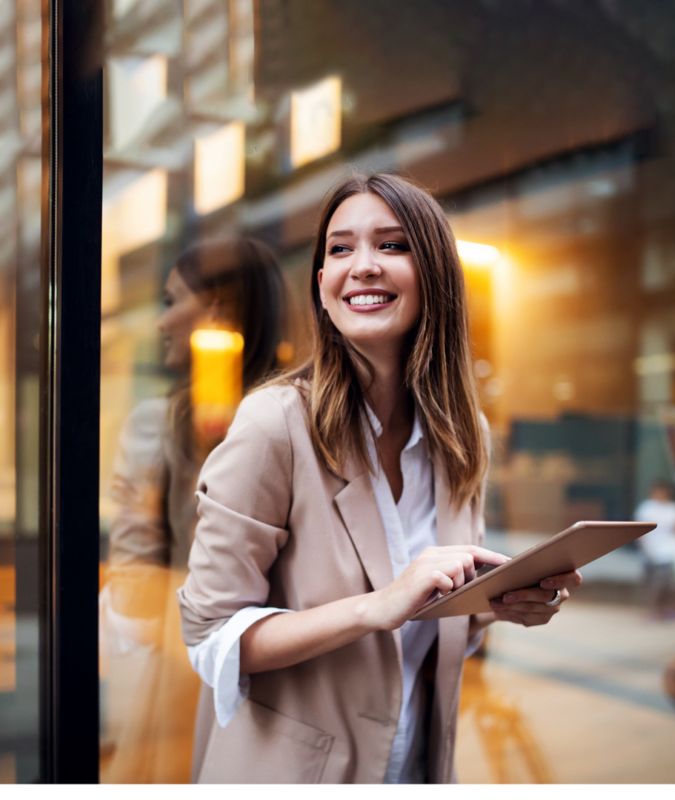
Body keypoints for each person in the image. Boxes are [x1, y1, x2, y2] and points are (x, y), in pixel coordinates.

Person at [177, 173, 582, 784]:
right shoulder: (275, 425)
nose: (362, 265)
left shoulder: (461, 433)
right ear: (322, 284)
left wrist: (495, 606)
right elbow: (210, 638)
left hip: (414, 765)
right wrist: (377, 607)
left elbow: (426, 623)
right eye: (340, 249)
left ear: (436, 277)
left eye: (391, 245)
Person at [101, 237, 288, 783]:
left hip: (195, 677)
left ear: (218, 308)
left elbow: (136, 590)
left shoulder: (157, 425)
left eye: (170, 300)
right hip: (300, 675)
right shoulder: (308, 420)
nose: (162, 322)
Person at [634, 479, 675, 619]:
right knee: (652, 586)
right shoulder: (646, 508)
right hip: (651, 553)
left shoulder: (674, 509)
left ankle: (667, 610)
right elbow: (638, 531)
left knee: (668, 586)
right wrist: (644, 548)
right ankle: (653, 610)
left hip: (669, 553)